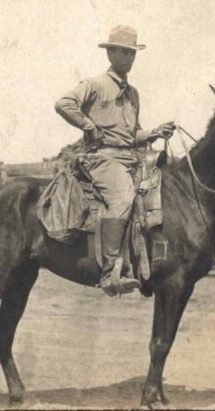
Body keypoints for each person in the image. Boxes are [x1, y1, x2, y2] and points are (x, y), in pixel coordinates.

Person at [55, 25, 175, 296]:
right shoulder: (94, 85)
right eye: (123, 53)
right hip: (103, 159)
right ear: (110, 54)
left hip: (131, 158)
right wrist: (88, 125)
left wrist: (154, 133)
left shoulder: (134, 94)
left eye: (132, 53)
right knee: (123, 197)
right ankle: (110, 271)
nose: (129, 58)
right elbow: (64, 103)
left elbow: (133, 133)